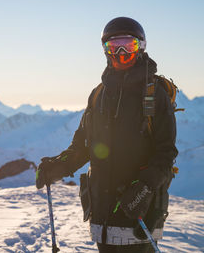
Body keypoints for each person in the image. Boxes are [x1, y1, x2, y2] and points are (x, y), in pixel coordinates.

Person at [36, 17, 178, 253]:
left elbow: (166, 153)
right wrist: (59, 166)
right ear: (105, 50)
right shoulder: (97, 95)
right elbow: (83, 146)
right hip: (103, 217)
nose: (120, 53)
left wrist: (144, 188)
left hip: (139, 215)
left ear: (141, 48)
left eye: (128, 45)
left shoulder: (154, 95)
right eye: (113, 46)